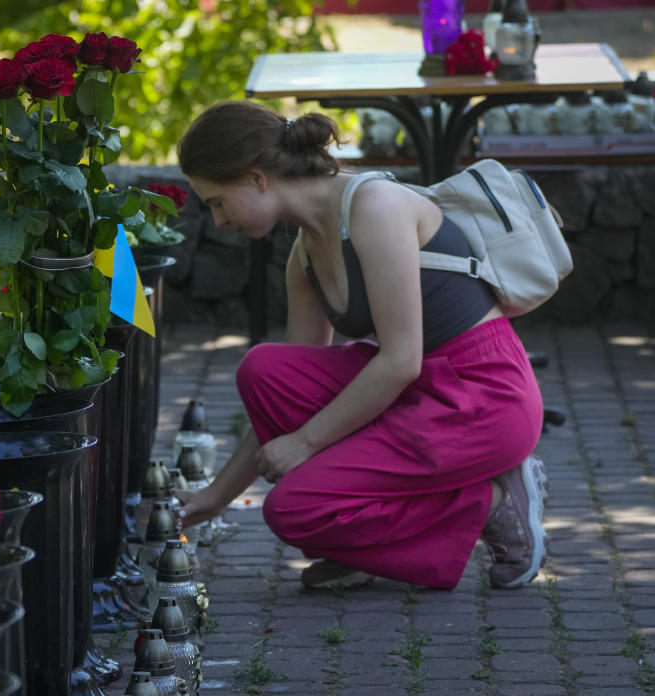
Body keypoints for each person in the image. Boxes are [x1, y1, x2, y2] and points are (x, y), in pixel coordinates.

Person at [174, 101, 547, 591]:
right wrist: (216, 496)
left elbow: (400, 361)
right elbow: (283, 408)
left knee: (293, 508)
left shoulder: (374, 207)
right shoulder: (304, 252)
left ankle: (494, 503)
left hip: (481, 399)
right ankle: (358, 541)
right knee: (264, 371)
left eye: (218, 202)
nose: (218, 221)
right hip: (418, 392)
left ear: (256, 178)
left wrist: (306, 444)